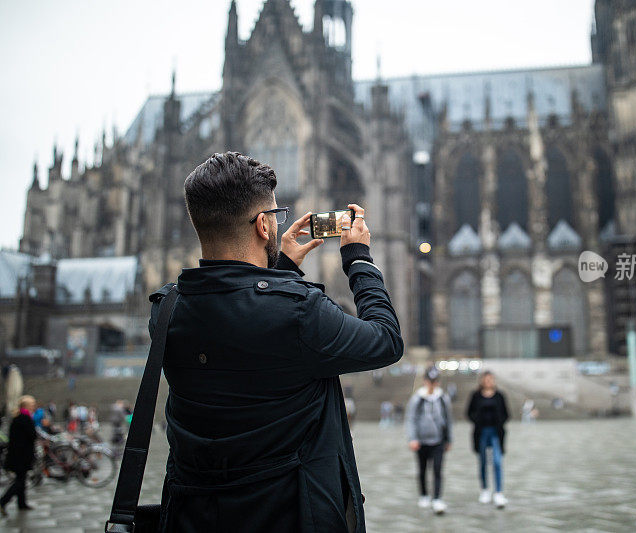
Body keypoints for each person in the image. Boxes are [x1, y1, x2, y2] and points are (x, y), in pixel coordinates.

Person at [147, 152, 403, 532]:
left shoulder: (167, 310)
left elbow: (240, 326)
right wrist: (358, 258)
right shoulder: (301, 313)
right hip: (290, 517)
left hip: (195, 519)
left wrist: (280, 270)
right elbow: (385, 340)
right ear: (264, 226)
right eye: (276, 215)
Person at [405, 367, 452, 515]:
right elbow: (411, 419)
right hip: (421, 441)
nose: (432, 384)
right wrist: (412, 438)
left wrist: (449, 439)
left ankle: (437, 497)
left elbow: (448, 420)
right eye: (430, 381)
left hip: (438, 440)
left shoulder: (443, 398)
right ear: (425, 381)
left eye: (435, 381)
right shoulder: (417, 398)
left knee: (437, 469)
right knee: (422, 469)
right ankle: (424, 494)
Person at [466, 371, 509, 509]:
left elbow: (506, 414)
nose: (489, 382)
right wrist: (477, 420)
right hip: (482, 432)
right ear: (482, 381)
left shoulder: (500, 396)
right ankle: (485, 490)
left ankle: (498, 492)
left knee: (497, 461)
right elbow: (469, 412)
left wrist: (499, 421)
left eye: (491, 379)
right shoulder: (476, 395)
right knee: (483, 462)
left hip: (496, 432)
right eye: (487, 379)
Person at [0, 395, 37, 517]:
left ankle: (22, 503)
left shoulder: (19, 417)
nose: (34, 406)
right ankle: (3, 501)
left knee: (22, 478)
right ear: (26, 406)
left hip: (17, 456)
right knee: (20, 481)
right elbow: (32, 435)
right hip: (21, 456)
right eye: (32, 404)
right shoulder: (24, 418)